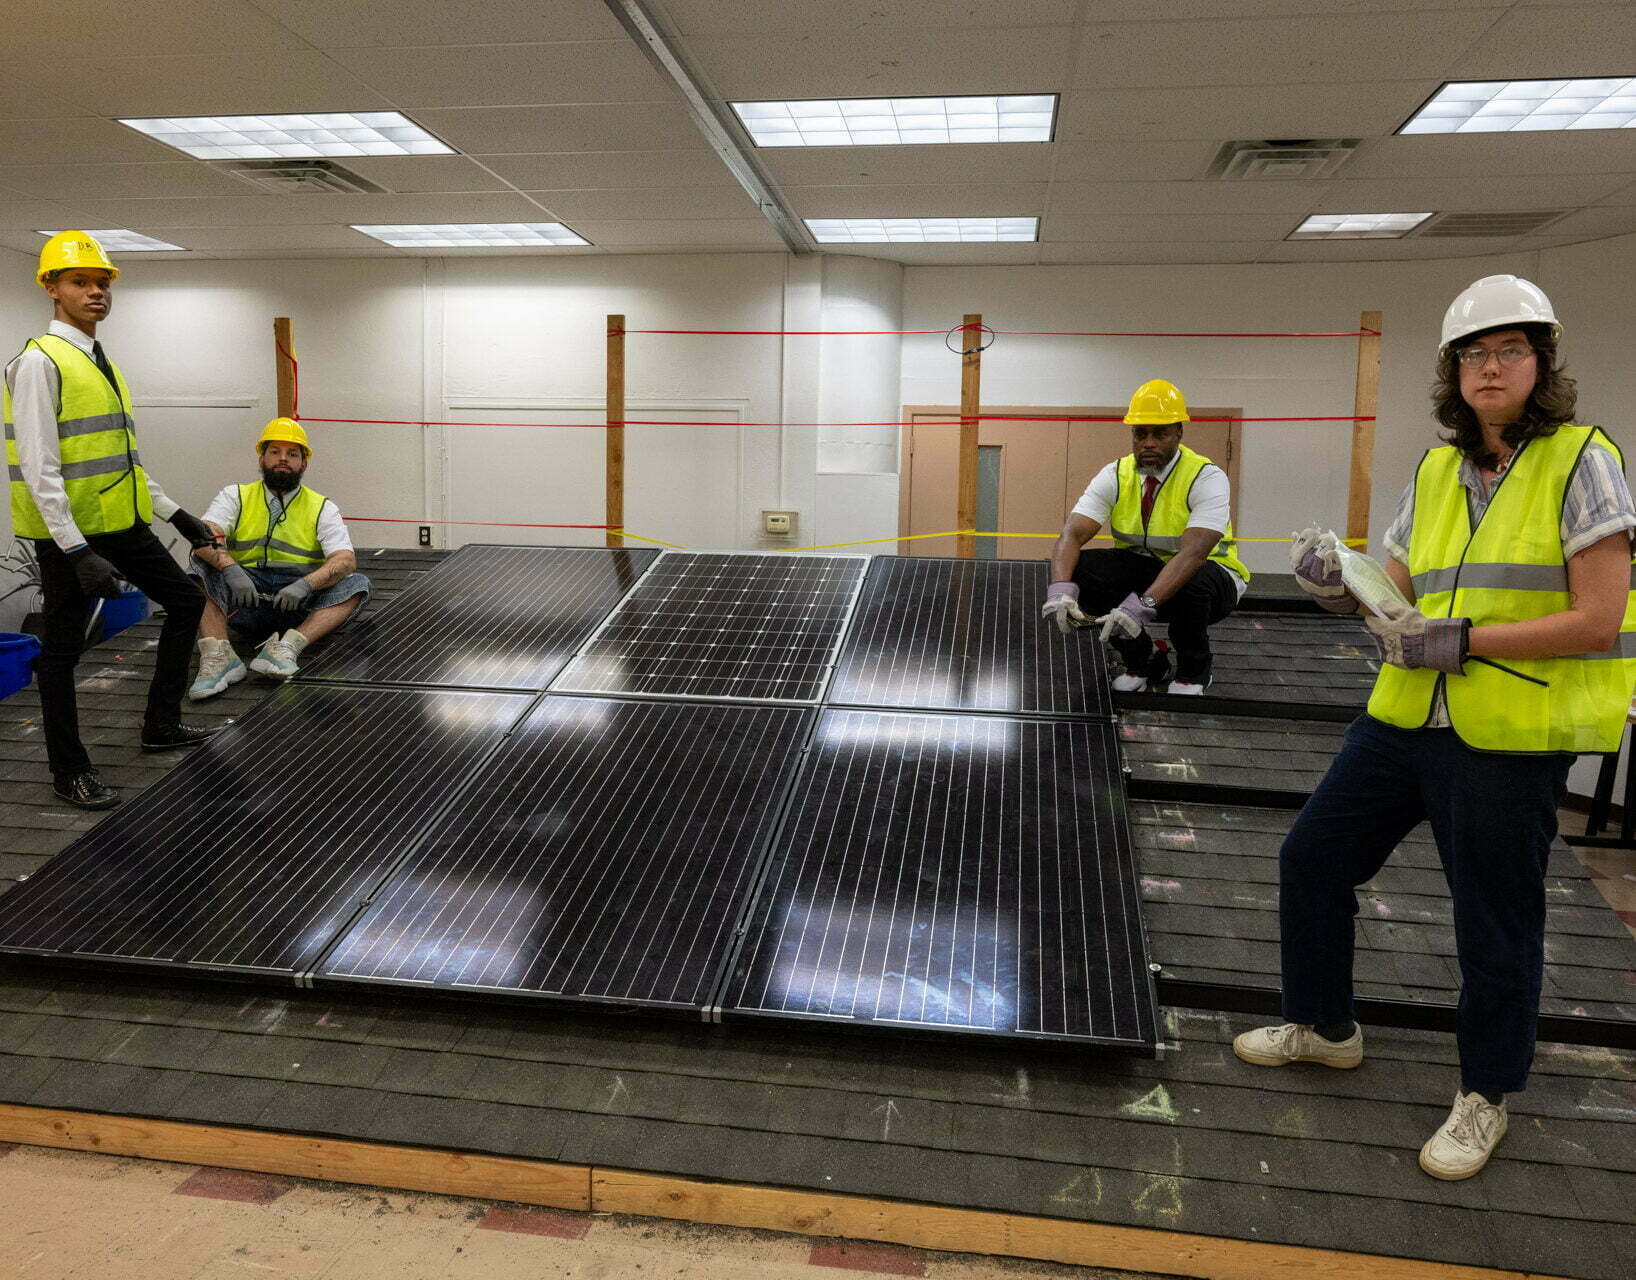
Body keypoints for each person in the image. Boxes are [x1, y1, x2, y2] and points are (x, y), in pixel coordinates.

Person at [1234, 274, 1636, 1181]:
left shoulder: (1583, 462)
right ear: (1454, 372)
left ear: (1542, 362)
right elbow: (1403, 591)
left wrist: (1464, 639)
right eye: (1473, 354)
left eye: (1510, 351)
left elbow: (1599, 617)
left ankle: (1486, 1095)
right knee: (1313, 857)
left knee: (1493, 921)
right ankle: (1326, 1025)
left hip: (1508, 731)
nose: (1490, 367)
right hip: (1407, 718)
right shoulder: (1432, 468)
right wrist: (1339, 587)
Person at [3, 231, 222, 811]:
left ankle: (160, 725)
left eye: (102, 282)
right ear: (51, 288)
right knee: (63, 649)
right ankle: (68, 771)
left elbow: (121, 461)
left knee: (184, 600)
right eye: (81, 281)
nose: (96, 291)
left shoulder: (101, 364)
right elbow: (40, 468)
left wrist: (178, 515)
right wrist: (76, 551)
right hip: (68, 534)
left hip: (120, 521)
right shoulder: (37, 363)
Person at [1042, 378, 1249, 694]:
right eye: (1141, 433)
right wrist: (1060, 590)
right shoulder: (1115, 474)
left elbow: (1194, 553)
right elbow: (1071, 534)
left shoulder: (1206, 477)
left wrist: (1144, 604)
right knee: (1081, 569)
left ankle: (1195, 672)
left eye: (1160, 433)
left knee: (1192, 577)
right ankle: (1145, 662)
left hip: (1211, 583)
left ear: (1179, 432)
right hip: (1150, 575)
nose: (1148, 442)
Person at [187, 418, 370, 696]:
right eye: (275, 452)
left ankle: (287, 649)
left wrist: (305, 585)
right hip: (244, 600)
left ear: (304, 463)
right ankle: (220, 656)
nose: (283, 459)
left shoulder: (322, 507)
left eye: (292, 454)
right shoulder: (235, 495)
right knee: (198, 565)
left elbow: (344, 560)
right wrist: (230, 569)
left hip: (297, 606)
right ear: (262, 458)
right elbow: (203, 536)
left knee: (356, 584)